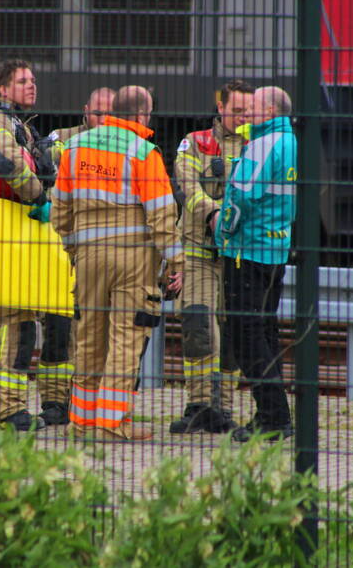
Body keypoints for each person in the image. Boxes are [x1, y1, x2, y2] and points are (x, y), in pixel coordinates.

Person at [53, 85, 184, 441]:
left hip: (88, 257)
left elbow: (60, 210)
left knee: (88, 337)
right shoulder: (143, 152)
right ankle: (112, 425)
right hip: (132, 259)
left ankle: (81, 423)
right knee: (126, 338)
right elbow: (161, 215)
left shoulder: (74, 147)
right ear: (141, 115)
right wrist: (176, 261)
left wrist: (74, 248)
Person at [0, 59, 50, 431]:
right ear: (3, 89)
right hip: (6, 234)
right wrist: (38, 195)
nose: (31, 85)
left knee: (0, 324)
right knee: (13, 324)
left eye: (32, 80)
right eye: (22, 81)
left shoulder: (14, 123)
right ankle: (8, 409)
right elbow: (4, 160)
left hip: (10, 232)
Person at [168, 80, 255, 434]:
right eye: (237, 111)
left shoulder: (256, 146)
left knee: (231, 333)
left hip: (238, 256)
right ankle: (199, 406)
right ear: (220, 107)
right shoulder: (195, 142)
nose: (243, 117)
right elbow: (187, 185)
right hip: (199, 252)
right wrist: (214, 214)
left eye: (248, 111)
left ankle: (224, 409)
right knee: (198, 326)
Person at [215, 85, 297, 442]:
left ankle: (273, 418)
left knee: (246, 335)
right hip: (275, 249)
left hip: (247, 251)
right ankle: (274, 415)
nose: (248, 112)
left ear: (272, 110)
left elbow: (241, 196)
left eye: (255, 106)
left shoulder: (264, 144)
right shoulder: (291, 141)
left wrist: (223, 232)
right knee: (264, 332)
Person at [33, 86, 118, 427]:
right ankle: (54, 401)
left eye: (110, 113)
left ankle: (89, 402)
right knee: (58, 327)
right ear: (85, 110)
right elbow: (44, 162)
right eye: (98, 113)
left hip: (100, 252)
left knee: (95, 330)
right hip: (61, 248)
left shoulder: (123, 146)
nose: (103, 120)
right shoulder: (64, 139)